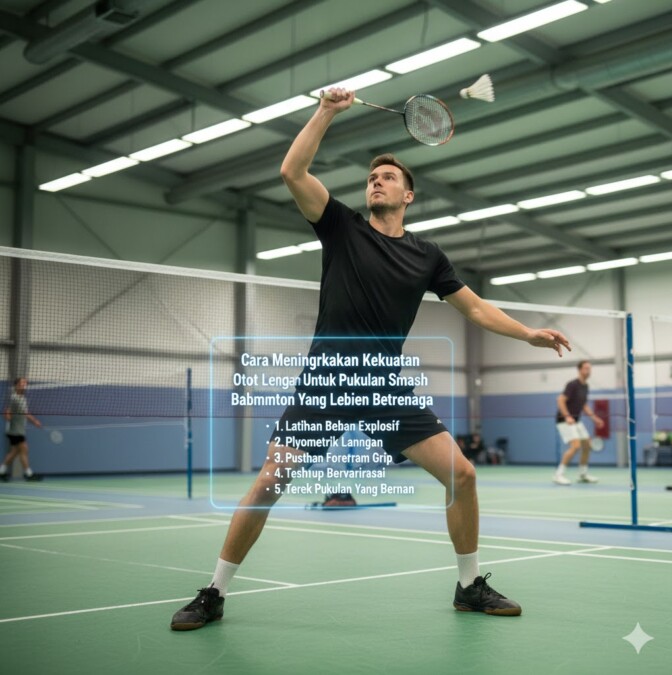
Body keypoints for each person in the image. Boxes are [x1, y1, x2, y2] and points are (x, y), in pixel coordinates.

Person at [170, 88, 571, 630]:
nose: (376, 182)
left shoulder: (427, 256)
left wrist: (527, 334)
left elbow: (474, 307)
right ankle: (214, 592)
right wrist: (326, 112)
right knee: (269, 482)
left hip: (384, 387)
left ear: (408, 195)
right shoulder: (342, 228)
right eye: (371, 178)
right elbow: (292, 171)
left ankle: (469, 585)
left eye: (387, 177)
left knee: (463, 474)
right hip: (325, 382)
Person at [553, 360, 604, 485]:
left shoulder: (585, 386)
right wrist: (567, 416)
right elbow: (560, 400)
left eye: (589, 368)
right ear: (580, 370)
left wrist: (595, 418)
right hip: (564, 420)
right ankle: (558, 475)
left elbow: (584, 405)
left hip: (576, 420)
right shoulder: (572, 385)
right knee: (575, 446)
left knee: (586, 445)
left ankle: (582, 474)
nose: (588, 371)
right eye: (586, 368)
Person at [1, 377, 43, 482]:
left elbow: (24, 413)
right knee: (24, 449)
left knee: (15, 452)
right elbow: (8, 412)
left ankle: (1, 471)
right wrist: (35, 421)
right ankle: (29, 474)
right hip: (15, 431)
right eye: (22, 383)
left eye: (25, 383)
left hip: (19, 429)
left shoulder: (22, 398)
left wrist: (34, 421)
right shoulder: (14, 398)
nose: (24, 385)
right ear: (16, 385)